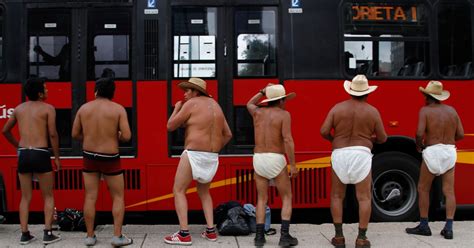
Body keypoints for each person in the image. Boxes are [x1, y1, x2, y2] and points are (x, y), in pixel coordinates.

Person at [320, 74, 387, 248]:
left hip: (340, 152)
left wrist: (334, 140)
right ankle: (362, 238)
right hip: (361, 153)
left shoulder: (337, 108)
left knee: (336, 196)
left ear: (350, 91)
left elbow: (324, 131)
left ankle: (339, 237)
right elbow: (383, 138)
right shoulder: (372, 111)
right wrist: (369, 140)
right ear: (367, 92)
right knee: (364, 198)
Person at [164, 77, 232, 245]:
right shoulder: (216, 105)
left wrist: (177, 108)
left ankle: (184, 234)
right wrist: (214, 149)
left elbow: (170, 126)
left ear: (196, 91)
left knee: (178, 190)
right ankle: (210, 231)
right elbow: (228, 134)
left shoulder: (191, 104)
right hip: (212, 157)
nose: (185, 94)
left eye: (187, 90)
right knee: (204, 192)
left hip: (193, 154)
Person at [72, 76, 132, 247]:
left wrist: (90, 136)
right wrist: (114, 136)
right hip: (110, 158)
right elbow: (127, 136)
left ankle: (90, 236)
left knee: (90, 196)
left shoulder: (84, 109)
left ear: (96, 91)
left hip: (89, 156)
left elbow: (75, 134)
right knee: (118, 197)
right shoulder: (118, 109)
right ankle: (117, 236)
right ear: (112, 92)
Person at [2, 77, 62, 245]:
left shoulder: (19, 109)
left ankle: (24, 234)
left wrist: (18, 145)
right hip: (41, 153)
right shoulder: (48, 108)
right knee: (48, 196)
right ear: (40, 93)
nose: (48, 91)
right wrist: (57, 157)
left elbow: (5, 131)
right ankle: (48, 232)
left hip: (24, 153)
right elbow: (52, 134)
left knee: (25, 197)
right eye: (46, 88)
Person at [406, 81, 464, 239]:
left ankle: (424, 225)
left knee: (423, 188)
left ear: (427, 96)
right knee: (449, 191)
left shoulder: (425, 111)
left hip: (433, 150)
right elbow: (461, 134)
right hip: (449, 152)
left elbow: (419, 133)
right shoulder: (451, 111)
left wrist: (420, 145)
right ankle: (449, 228)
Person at [247, 84, 298, 247]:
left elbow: (249, 103)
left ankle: (259, 237)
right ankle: (284, 237)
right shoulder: (284, 115)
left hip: (259, 158)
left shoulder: (257, 113)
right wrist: (293, 164)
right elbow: (288, 140)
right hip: (276, 158)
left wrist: (262, 91)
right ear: (281, 100)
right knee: (287, 197)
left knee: (261, 198)